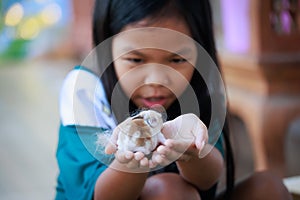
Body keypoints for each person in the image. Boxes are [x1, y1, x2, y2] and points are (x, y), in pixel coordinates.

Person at [55, 0, 292, 199]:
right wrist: (134, 155)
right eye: (136, 60)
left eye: (177, 60)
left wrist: (190, 150)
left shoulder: (200, 84)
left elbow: (209, 178)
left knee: (268, 189)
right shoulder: (85, 89)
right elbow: (97, 194)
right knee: (169, 190)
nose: (156, 80)